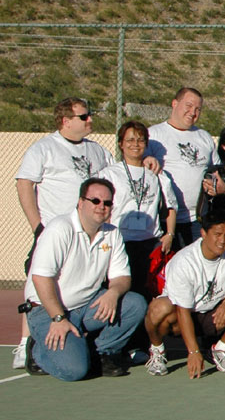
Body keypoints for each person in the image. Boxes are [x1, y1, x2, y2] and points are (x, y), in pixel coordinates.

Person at [22, 177, 147, 380]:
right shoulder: (59, 229)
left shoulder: (112, 234)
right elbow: (41, 278)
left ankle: (103, 353)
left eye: (107, 203)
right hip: (48, 311)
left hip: (85, 306)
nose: (101, 207)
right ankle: (38, 349)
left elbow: (122, 276)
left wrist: (113, 292)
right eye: (95, 201)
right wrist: (58, 318)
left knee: (134, 304)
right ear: (81, 202)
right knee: (75, 371)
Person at [143, 210, 225, 378]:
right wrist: (194, 351)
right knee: (158, 308)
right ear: (203, 233)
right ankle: (157, 351)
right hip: (182, 316)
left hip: (213, 315)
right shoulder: (184, 261)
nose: (223, 241)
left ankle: (221, 349)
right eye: (217, 234)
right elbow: (183, 311)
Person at [16, 97, 113, 254]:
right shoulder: (44, 148)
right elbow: (24, 184)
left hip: (92, 234)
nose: (89, 119)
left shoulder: (98, 151)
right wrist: (38, 227)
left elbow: (116, 176)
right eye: (83, 117)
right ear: (66, 121)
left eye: (89, 115)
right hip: (57, 233)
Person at [98, 121, 177, 297]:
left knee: (150, 292)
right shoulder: (109, 174)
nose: (135, 144)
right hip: (121, 242)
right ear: (121, 143)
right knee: (122, 291)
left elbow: (170, 207)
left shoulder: (157, 174)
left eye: (141, 140)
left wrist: (169, 235)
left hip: (150, 242)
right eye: (130, 140)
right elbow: (102, 209)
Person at [146, 87, 214, 248]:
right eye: (189, 106)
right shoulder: (154, 135)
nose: (193, 112)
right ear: (174, 104)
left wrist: (217, 185)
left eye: (198, 109)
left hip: (197, 219)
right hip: (166, 220)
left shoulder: (204, 137)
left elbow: (215, 171)